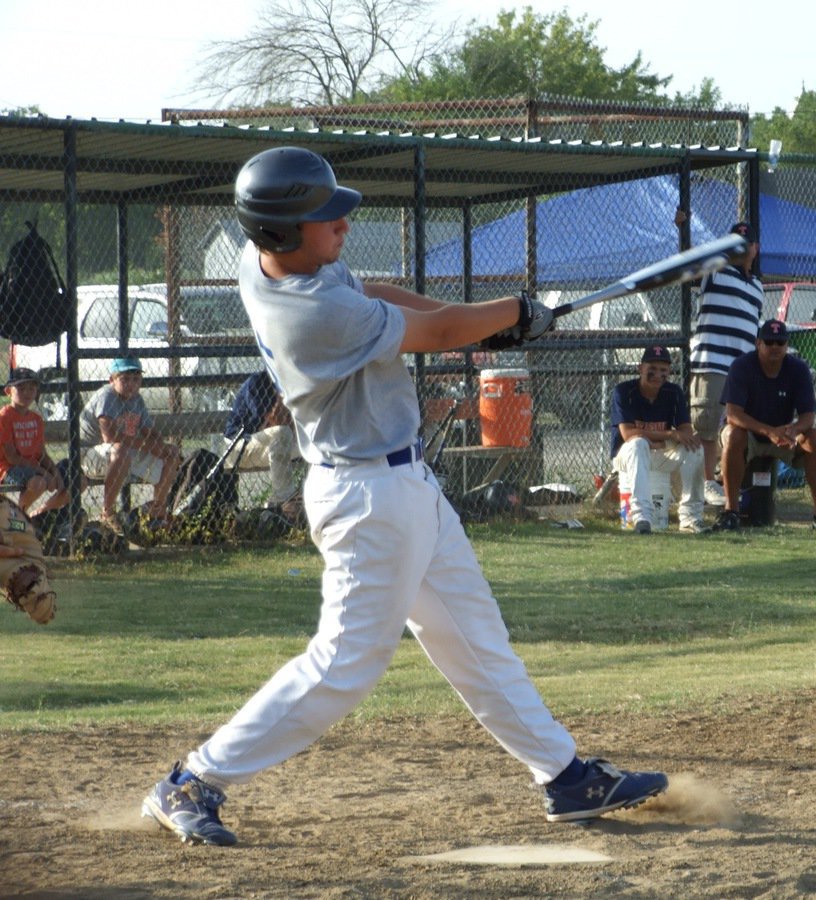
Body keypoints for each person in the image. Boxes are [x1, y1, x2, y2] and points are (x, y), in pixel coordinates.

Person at [141, 145, 666, 847]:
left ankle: (565, 776)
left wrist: (489, 320)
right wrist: (509, 312)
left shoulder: (270, 259)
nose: (343, 225)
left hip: (404, 482)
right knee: (344, 664)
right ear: (284, 232)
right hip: (366, 498)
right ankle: (193, 779)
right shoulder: (309, 312)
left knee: (475, 637)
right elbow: (439, 334)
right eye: (325, 217)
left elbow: (384, 296)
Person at [715, 319, 816, 534]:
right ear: (758, 343)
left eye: (780, 342)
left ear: (786, 345)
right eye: (769, 342)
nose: (775, 347)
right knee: (733, 434)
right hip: (749, 434)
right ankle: (731, 512)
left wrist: (793, 430)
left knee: (813, 436)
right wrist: (769, 431)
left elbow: (808, 415)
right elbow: (733, 415)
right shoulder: (742, 366)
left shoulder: (798, 369)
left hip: (783, 435)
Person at [688, 221, 762, 507]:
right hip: (712, 363)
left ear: (755, 248)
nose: (741, 249)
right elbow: (688, 259)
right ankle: (706, 484)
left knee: (736, 428)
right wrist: (682, 228)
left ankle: (727, 483)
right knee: (705, 427)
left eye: (746, 244)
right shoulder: (715, 271)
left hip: (741, 370)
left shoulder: (757, 286)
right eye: (735, 244)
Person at [611, 345, 707, 534]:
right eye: (652, 368)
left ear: (669, 371)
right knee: (638, 443)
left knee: (694, 447)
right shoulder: (623, 391)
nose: (657, 374)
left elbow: (685, 431)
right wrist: (670, 435)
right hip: (627, 457)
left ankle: (690, 517)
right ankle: (641, 518)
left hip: (661, 452)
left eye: (663, 370)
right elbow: (628, 434)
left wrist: (667, 440)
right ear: (640, 368)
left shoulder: (673, 392)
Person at [79, 357, 182, 531]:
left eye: (136, 379)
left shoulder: (137, 400)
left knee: (171, 453)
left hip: (122, 452)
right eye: (125, 379)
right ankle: (107, 513)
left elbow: (150, 432)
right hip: (89, 455)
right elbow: (109, 436)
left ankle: (157, 511)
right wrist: (148, 446)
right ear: (112, 380)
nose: (131, 384)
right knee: (121, 451)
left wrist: (161, 447)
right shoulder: (107, 395)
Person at [224, 369, 301, 511]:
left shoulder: (293, 383)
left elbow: (294, 424)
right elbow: (273, 422)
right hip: (239, 446)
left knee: (314, 444)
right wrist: (281, 396)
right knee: (282, 432)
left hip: (268, 445)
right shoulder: (258, 382)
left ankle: (306, 498)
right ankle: (283, 498)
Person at [0, 368, 67, 515]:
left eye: (32, 388)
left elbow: (42, 454)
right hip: (9, 469)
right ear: (8, 391)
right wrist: (43, 472)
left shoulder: (36, 419)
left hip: (33, 467)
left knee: (75, 479)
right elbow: (12, 457)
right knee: (39, 483)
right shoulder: (4, 417)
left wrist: (55, 473)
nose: (27, 393)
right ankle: (18, 516)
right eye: (21, 388)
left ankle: (39, 515)